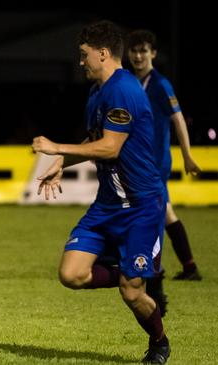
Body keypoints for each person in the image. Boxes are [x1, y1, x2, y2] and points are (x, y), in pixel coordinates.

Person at [32, 21, 170, 364]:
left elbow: (110, 148)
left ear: (103, 53)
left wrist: (53, 147)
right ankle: (133, 270)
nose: (81, 62)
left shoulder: (123, 89)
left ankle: (159, 341)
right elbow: (95, 140)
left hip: (141, 207)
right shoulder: (98, 92)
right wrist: (62, 162)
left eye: (84, 55)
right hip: (107, 206)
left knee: (132, 292)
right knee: (71, 275)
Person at [127, 29, 202, 281]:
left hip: (155, 164)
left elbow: (178, 119)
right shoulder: (130, 82)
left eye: (143, 51)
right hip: (138, 164)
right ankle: (189, 267)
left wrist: (187, 155)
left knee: (152, 213)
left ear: (154, 54)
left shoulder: (159, 84)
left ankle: (152, 268)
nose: (138, 56)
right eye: (134, 51)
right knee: (166, 212)